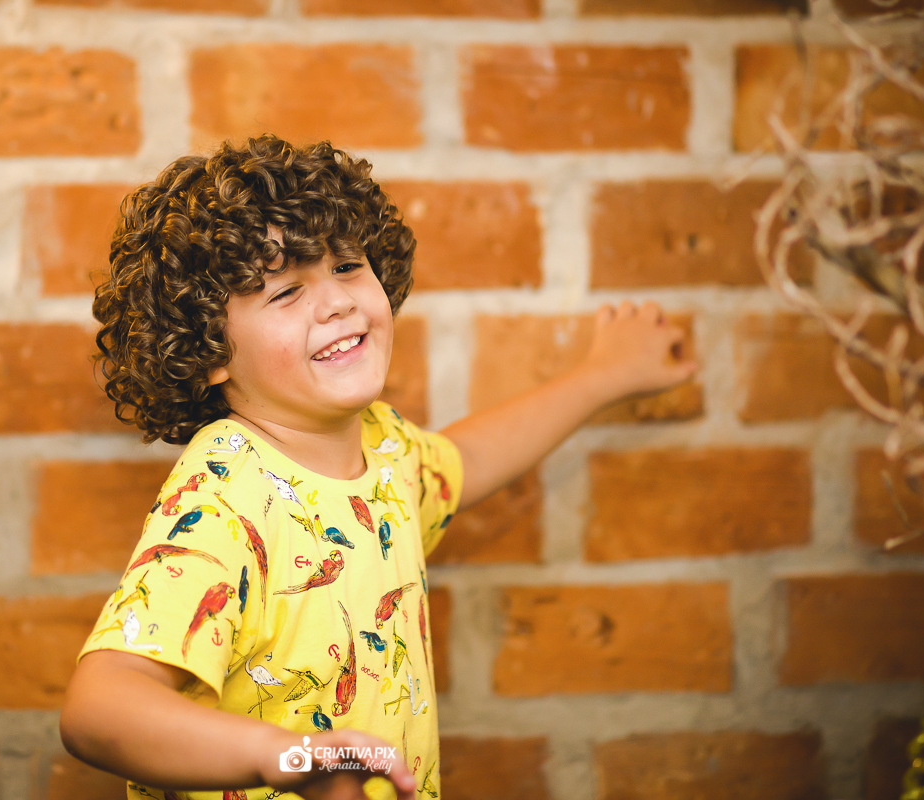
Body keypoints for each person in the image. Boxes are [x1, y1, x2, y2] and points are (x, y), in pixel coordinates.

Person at [59, 135, 697, 800]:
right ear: (208, 348)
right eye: (285, 292)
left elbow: (471, 458)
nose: (336, 301)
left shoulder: (382, 447)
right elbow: (98, 710)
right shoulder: (223, 501)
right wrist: (289, 757)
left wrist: (603, 376)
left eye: (346, 265)